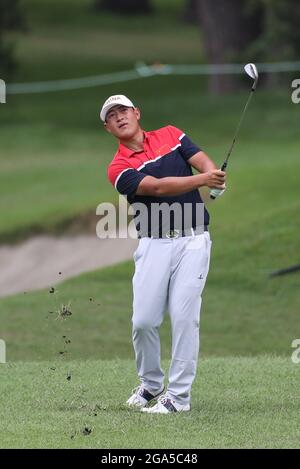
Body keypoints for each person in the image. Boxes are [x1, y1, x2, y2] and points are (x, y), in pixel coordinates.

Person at [102, 94, 226, 414]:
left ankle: (179, 398)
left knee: (185, 318)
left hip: (193, 241)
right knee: (143, 321)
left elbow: (203, 160)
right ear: (108, 128)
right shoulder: (118, 168)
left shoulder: (172, 134)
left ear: (137, 112)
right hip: (153, 244)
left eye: (124, 110)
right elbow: (157, 187)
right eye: (112, 116)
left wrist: (214, 178)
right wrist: (203, 180)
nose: (119, 117)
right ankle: (151, 384)